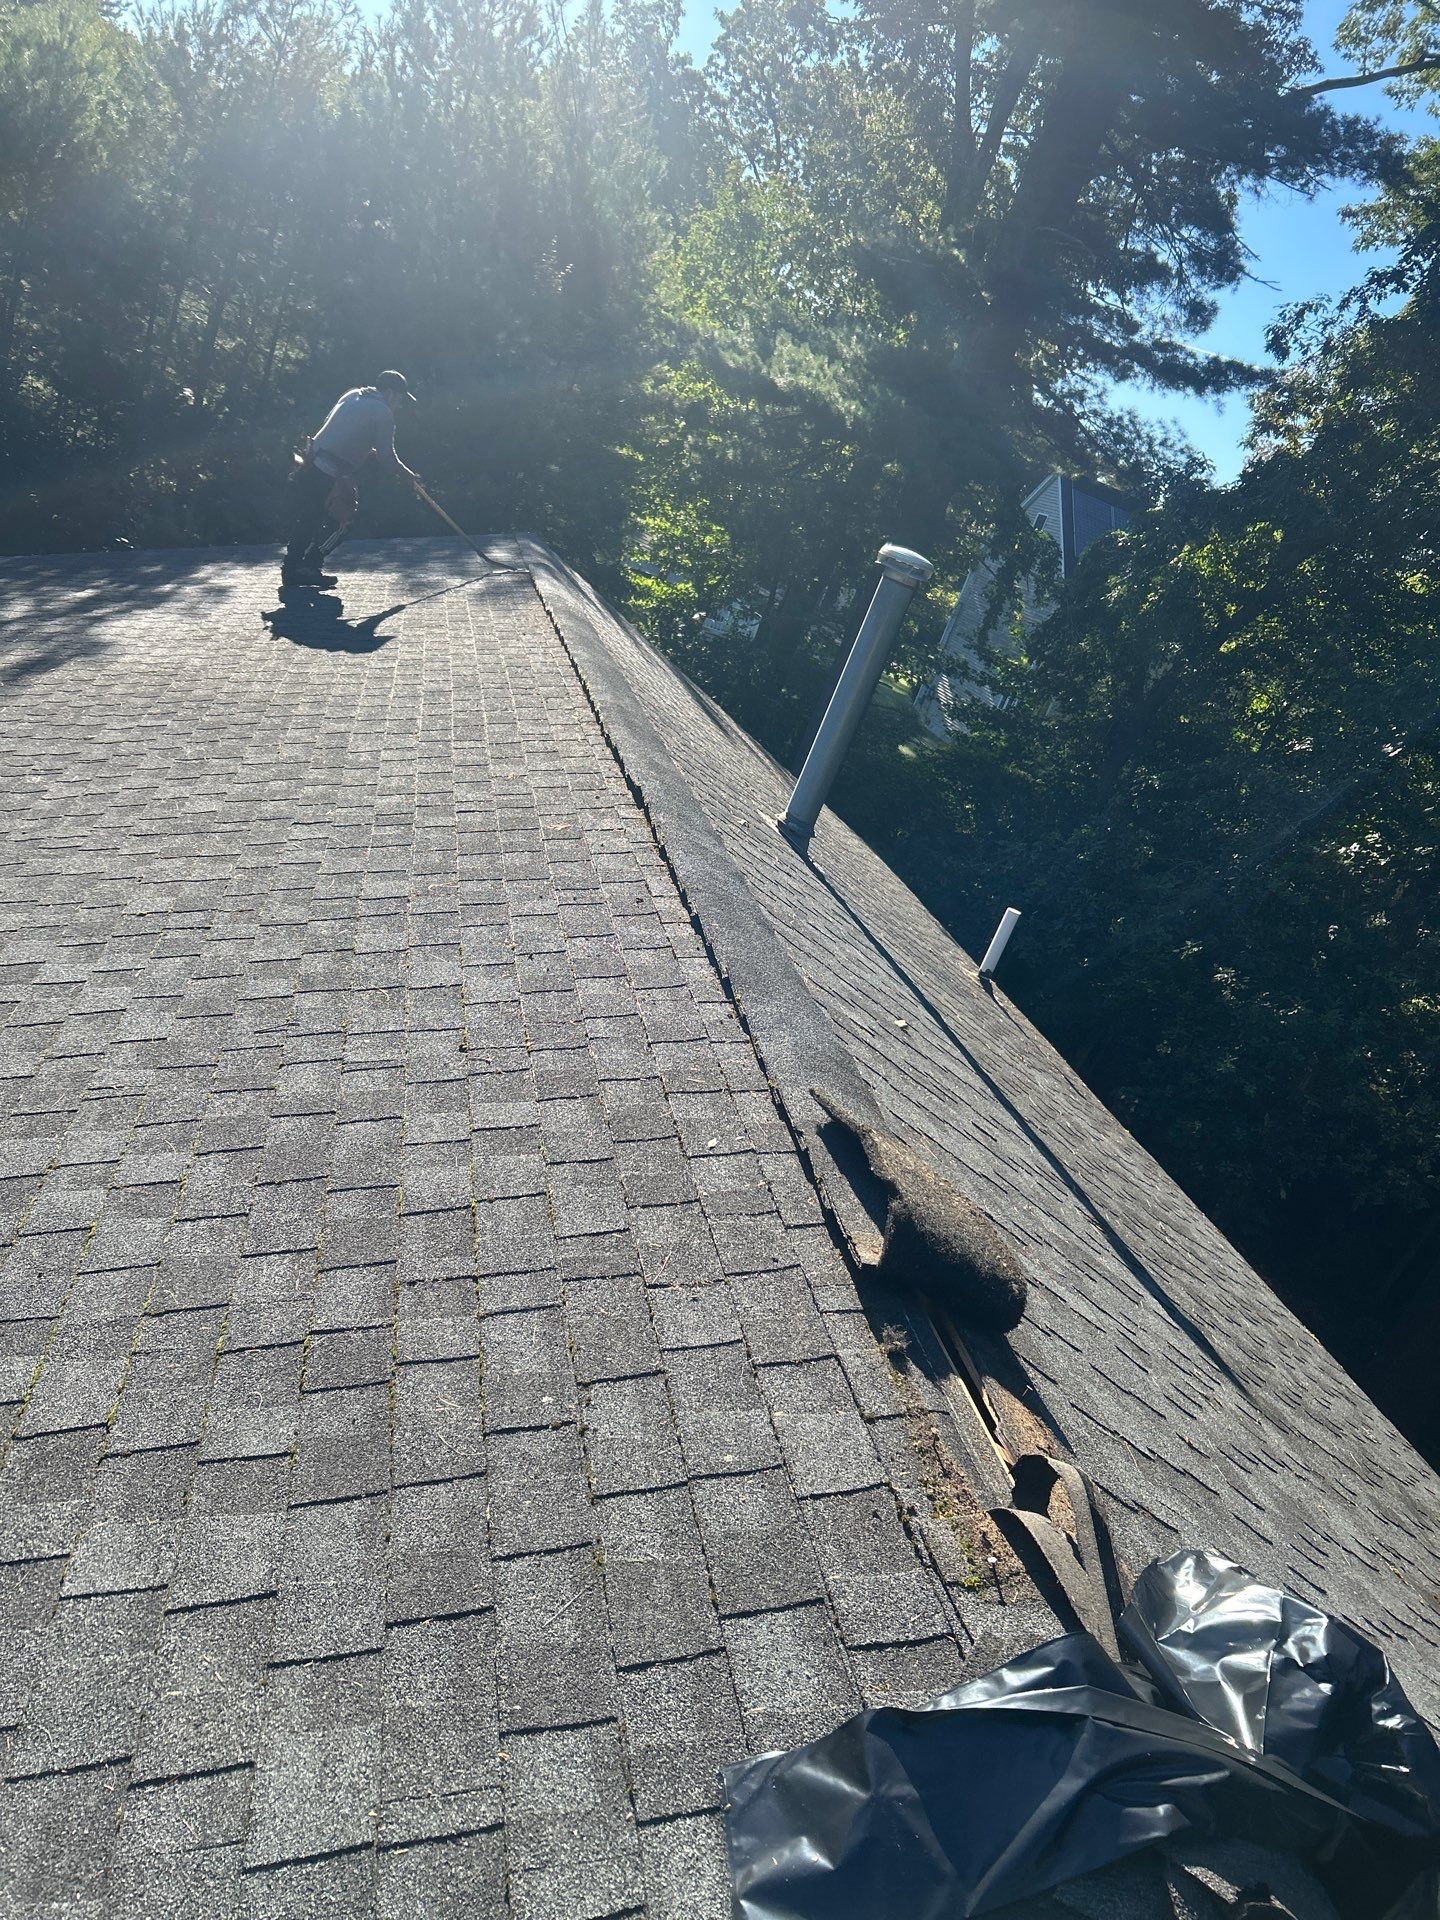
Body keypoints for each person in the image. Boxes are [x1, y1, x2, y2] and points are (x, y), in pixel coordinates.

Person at [282, 370, 420, 586]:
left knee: (309, 517)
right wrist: (407, 475)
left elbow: (338, 429)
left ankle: (292, 568)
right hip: (330, 469)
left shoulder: (353, 394)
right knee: (344, 519)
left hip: (311, 461)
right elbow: (387, 457)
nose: (400, 405)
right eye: (401, 399)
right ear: (391, 393)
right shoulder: (383, 413)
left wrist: (364, 448)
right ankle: (308, 566)